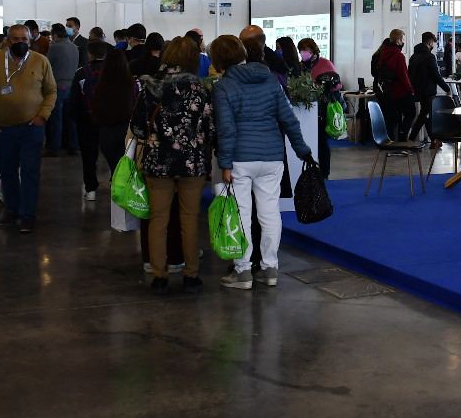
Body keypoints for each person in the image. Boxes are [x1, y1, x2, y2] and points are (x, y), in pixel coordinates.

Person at [212, 33, 313, 290]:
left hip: (239, 159)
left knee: (242, 214)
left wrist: (224, 163)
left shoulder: (223, 87)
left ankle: (243, 271)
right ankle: (270, 268)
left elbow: (226, 128)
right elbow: (289, 120)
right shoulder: (270, 79)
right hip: (271, 157)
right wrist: (303, 150)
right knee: (269, 213)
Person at [130, 36, 214, 296]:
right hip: (192, 164)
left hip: (158, 163)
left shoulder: (150, 85)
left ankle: (159, 277)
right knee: (189, 219)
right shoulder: (199, 88)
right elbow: (210, 129)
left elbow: (137, 126)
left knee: (158, 219)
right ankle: (191, 276)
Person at [0, 24, 57, 234]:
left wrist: (43, 115)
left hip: (32, 128)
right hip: (3, 129)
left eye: (24, 39)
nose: (20, 43)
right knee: (7, 172)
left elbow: (51, 92)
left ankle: (28, 215)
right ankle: (12, 211)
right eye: (16, 39)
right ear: (7, 40)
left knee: (31, 172)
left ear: (30, 41)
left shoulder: (41, 61)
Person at [88, 46, 137, 183]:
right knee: (124, 168)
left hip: (106, 131)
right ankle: (121, 194)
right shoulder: (131, 83)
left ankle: (115, 188)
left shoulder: (102, 84)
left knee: (114, 166)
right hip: (126, 131)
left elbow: (96, 106)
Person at [68, 41, 108, 200]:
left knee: (89, 156)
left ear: (89, 54)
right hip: (109, 121)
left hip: (87, 120)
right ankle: (116, 186)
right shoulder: (113, 71)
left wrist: (77, 119)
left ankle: (91, 189)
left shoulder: (82, 72)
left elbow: (74, 100)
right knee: (114, 155)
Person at [297, 37, 338, 179]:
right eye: (301, 50)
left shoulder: (326, 64)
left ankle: (324, 172)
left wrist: (325, 84)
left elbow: (338, 85)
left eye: (306, 49)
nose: (303, 53)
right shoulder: (300, 66)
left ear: (313, 49)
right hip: (305, 108)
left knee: (321, 141)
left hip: (322, 107)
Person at [408, 31, 452, 146]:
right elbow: (436, 76)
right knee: (424, 115)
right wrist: (447, 88)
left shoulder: (413, 57)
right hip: (428, 91)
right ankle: (411, 139)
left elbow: (409, 73)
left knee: (426, 114)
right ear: (430, 43)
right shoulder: (429, 57)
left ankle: (433, 140)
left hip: (417, 90)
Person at [45, 23, 80, 158]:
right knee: (71, 118)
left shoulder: (54, 47)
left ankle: (54, 147)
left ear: (55, 35)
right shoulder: (74, 47)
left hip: (58, 86)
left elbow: (47, 65)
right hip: (71, 86)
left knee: (56, 119)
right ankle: (74, 146)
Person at [373, 30, 413, 140]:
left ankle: (390, 142)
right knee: (410, 113)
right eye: (403, 40)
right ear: (398, 40)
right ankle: (402, 138)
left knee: (391, 119)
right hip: (400, 91)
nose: (403, 42)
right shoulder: (399, 56)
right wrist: (410, 90)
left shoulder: (383, 54)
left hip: (388, 91)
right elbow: (403, 76)